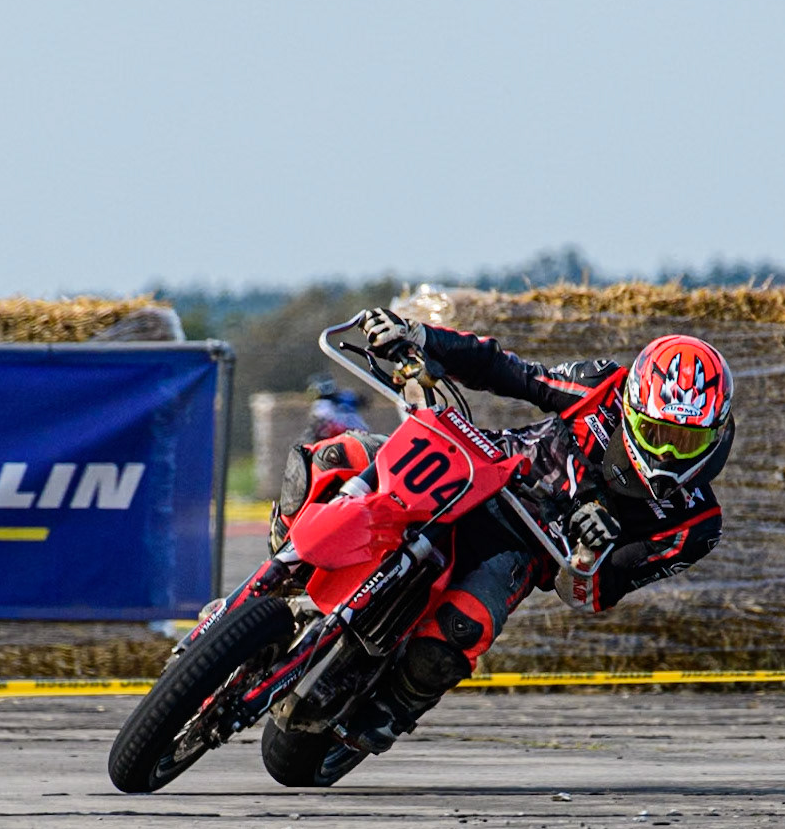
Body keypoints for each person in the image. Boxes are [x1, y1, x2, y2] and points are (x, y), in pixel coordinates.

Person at [323, 307, 736, 753]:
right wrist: (420, 335)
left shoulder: (695, 525)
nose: (668, 454)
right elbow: (507, 371)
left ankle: (395, 707)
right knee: (339, 457)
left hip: (524, 546)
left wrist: (586, 556)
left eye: (688, 441)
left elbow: (587, 595)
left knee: (461, 630)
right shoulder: (601, 387)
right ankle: (285, 554)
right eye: (657, 433)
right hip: (480, 469)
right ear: (632, 410)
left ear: (716, 434)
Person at [304, 374, 371, 443]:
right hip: (359, 432)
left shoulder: (321, 404)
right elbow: (364, 401)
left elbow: (320, 423)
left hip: (343, 433)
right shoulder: (347, 395)